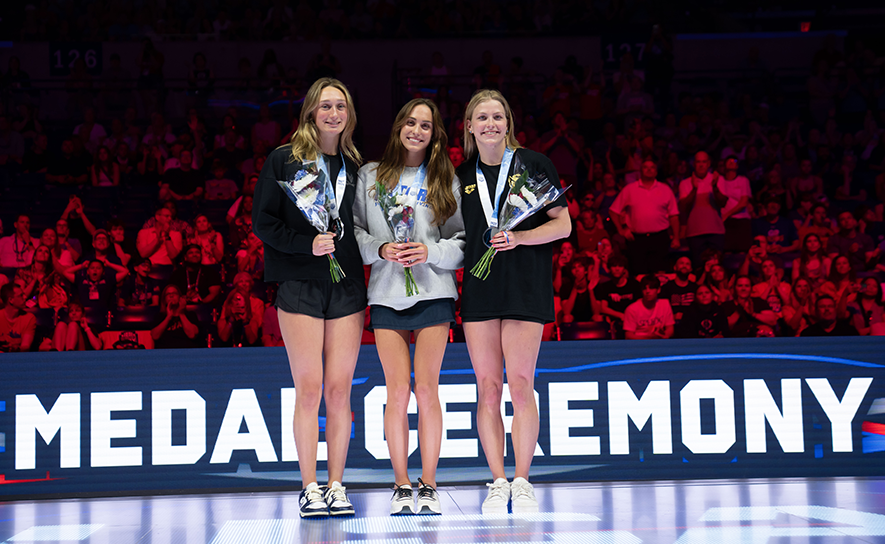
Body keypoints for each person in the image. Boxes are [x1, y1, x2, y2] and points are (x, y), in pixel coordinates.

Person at [252, 78, 366, 518]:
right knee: (310, 389)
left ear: (349, 114)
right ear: (310, 114)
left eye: (341, 106)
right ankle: (309, 486)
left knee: (340, 391)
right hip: (299, 283)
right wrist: (307, 246)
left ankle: (337, 484)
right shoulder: (284, 159)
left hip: (347, 287)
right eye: (325, 107)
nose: (333, 113)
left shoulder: (357, 166)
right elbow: (263, 222)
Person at [456, 89, 571, 514]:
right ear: (469, 126)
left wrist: (520, 236)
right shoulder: (459, 175)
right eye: (481, 117)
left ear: (509, 123)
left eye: (498, 117)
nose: (490, 124)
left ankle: (523, 480)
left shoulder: (535, 165)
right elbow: (458, 239)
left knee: (520, 385)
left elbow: (564, 225)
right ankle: (498, 480)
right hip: (481, 290)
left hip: (525, 285)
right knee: (487, 388)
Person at [353, 98, 465, 515]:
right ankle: (401, 484)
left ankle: (430, 483)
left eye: (427, 125)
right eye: (411, 122)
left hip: (434, 293)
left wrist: (429, 251)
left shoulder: (445, 179)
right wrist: (382, 248)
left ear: (435, 135)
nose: (417, 130)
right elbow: (359, 236)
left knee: (427, 390)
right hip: (385, 293)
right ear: (399, 125)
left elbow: (462, 244)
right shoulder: (369, 176)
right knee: (397, 391)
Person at [608, 158, 680, 276]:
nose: (649, 170)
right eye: (645, 167)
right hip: (637, 239)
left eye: (652, 168)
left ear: (656, 172)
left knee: (660, 272)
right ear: (640, 171)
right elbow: (613, 211)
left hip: (660, 237)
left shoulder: (665, 189)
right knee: (638, 273)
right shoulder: (630, 189)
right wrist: (622, 229)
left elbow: (674, 216)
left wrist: (676, 237)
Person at [679, 151, 727, 263]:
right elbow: (684, 207)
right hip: (694, 233)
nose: (701, 165)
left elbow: (723, 203)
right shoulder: (685, 183)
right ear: (693, 164)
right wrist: (694, 189)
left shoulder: (718, 179)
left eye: (704, 162)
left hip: (716, 231)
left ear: (709, 163)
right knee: (699, 266)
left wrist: (715, 187)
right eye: (698, 162)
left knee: (717, 266)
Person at [623, 274, 675, 339]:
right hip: (639, 344)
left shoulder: (665, 304)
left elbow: (670, 329)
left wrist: (663, 336)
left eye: (651, 288)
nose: (647, 291)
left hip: (659, 342)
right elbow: (628, 336)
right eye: (644, 288)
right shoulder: (632, 309)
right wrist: (650, 337)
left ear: (658, 290)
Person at [151, 284, 202, 348]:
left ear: (180, 297)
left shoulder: (190, 315)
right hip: (165, 353)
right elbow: (155, 336)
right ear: (164, 299)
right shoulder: (159, 316)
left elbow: (192, 335)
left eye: (174, 293)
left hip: (186, 353)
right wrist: (168, 317)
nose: (171, 295)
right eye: (168, 294)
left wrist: (181, 313)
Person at [0, 284, 36, 352]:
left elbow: (26, 346)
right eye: (21, 295)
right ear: (11, 300)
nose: (25, 297)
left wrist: (15, 349)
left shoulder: (29, 318)